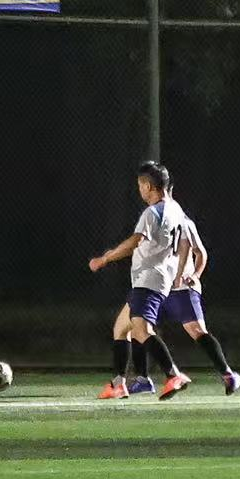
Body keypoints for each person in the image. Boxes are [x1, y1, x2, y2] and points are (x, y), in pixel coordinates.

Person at [90, 161, 195, 400]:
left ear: (148, 186)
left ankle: (173, 374)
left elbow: (135, 241)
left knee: (142, 329)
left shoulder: (152, 212)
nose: (140, 190)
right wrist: (178, 272)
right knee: (121, 328)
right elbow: (186, 243)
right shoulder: (176, 210)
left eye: (140, 185)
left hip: (149, 279)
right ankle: (118, 383)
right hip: (157, 279)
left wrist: (106, 258)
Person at [161, 212, 240, 394]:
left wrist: (195, 275)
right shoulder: (152, 220)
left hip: (182, 289)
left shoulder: (183, 222)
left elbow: (201, 253)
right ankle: (143, 378)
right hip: (159, 288)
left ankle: (228, 375)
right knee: (137, 326)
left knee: (197, 331)